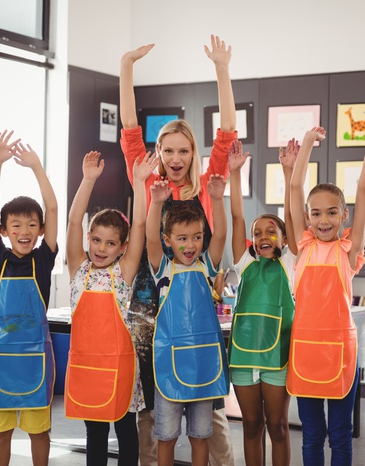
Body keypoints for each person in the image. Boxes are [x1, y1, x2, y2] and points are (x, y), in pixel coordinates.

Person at [119, 34, 237, 466]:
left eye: (184, 150)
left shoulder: (207, 187)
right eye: (168, 149)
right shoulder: (150, 180)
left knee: (209, 399)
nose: (175, 156)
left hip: (198, 303)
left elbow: (227, 132)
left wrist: (222, 69)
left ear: (193, 154)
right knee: (154, 401)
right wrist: (127, 66)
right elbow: (130, 127)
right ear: (158, 152)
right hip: (150, 302)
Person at [287, 122, 365, 466]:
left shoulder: (348, 250)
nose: (324, 219)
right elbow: (296, 185)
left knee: (341, 435)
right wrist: (307, 144)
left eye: (332, 212)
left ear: (344, 216)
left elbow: (363, 189)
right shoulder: (302, 247)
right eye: (316, 213)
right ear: (307, 217)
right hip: (305, 352)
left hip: (342, 354)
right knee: (312, 434)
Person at [65, 150, 158, 466]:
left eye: (110, 243)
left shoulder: (124, 271)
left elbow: (142, 225)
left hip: (120, 368)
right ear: (88, 239)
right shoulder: (78, 268)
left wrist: (141, 183)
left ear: (122, 248)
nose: (100, 248)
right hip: (88, 366)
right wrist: (87, 180)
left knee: (125, 430)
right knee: (95, 433)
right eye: (96, 240)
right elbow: (73, 219)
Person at [0, 130, 58, 466]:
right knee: (0, 432)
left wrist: (37, 168)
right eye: (16, 226)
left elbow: (53, 207)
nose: (24, 232)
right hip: (1, 359)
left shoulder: (42, 260)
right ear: (4, 230)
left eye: (31, 225)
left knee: (38, 432)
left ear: (41, 230)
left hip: (35, 361)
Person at [146, 175, 230, 466]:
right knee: (167, 435)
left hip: (203, 366)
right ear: (168, 240)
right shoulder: (163, 269)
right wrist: (156, 203)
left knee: (200, 435)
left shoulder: (207, 265)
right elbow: (148, 238)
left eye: (196, 237)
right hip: (170, 366)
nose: (191, 245)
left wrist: (217, 200)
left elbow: (220, 236)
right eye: (182, 239)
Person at [227, 139, 298, 466]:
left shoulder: (289, 265)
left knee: (279, 427)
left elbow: (293, 217)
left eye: (272, 231)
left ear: (284, 240)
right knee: (251, 425)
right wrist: (235, 174)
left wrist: (288, 173)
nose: (264, 237)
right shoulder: (244, 265)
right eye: (259, 233)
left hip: (278, 357)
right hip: (243, 355)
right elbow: (237, 214)